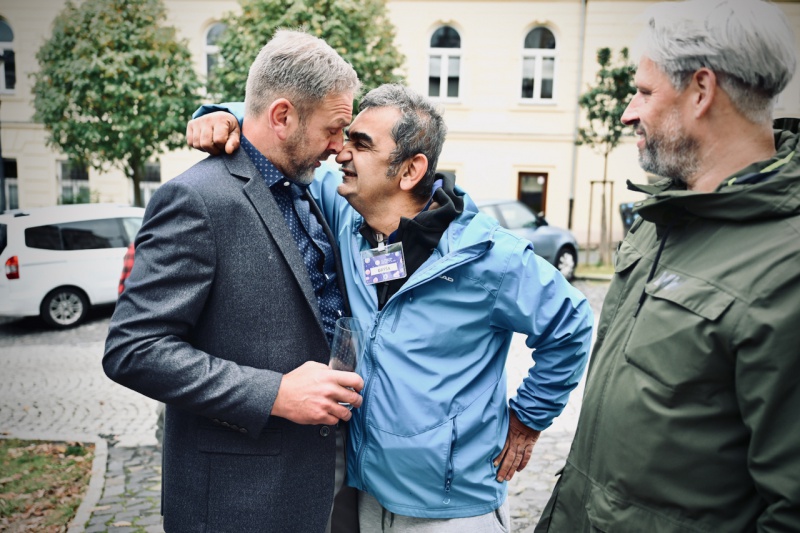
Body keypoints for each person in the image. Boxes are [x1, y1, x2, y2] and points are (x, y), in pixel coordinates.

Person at [187, 84, 594, 531]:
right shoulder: (346, 214)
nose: (341, 152)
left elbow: (571, 325)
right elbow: (280, 125)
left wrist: (528, 418)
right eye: (347, 138)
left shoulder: (489, 257)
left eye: (361, 144)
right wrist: (224, 114)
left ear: (410, 170)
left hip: (453, 509)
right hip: (370, 495)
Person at [535, 0, 800, 531]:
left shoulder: (785, 267)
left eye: (644, 91)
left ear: (701, 90)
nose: (628, 113)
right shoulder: (660, 218)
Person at [104, 30, 364, 533]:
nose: (339, 148)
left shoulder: (308, 188)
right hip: (236, 503)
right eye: (334, 129)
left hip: (317, 486)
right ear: (283, 117)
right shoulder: (196, 199)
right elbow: (133, 349)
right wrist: (275, 394)